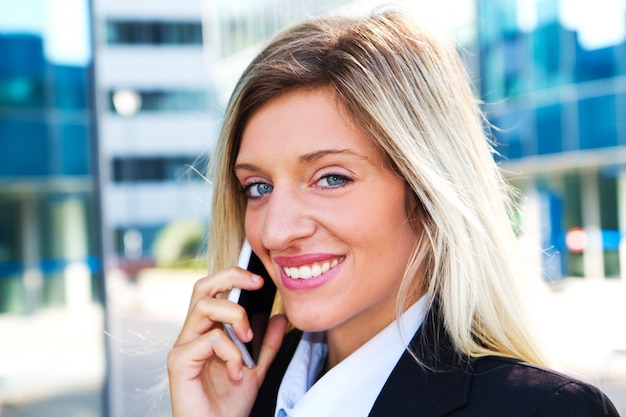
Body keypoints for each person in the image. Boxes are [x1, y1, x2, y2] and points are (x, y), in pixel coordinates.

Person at [167, 8, 620, 417]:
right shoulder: (241, 393)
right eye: (258, 187)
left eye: (332, 179)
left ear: (427, 194)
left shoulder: (544, 411)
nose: (276, 231)